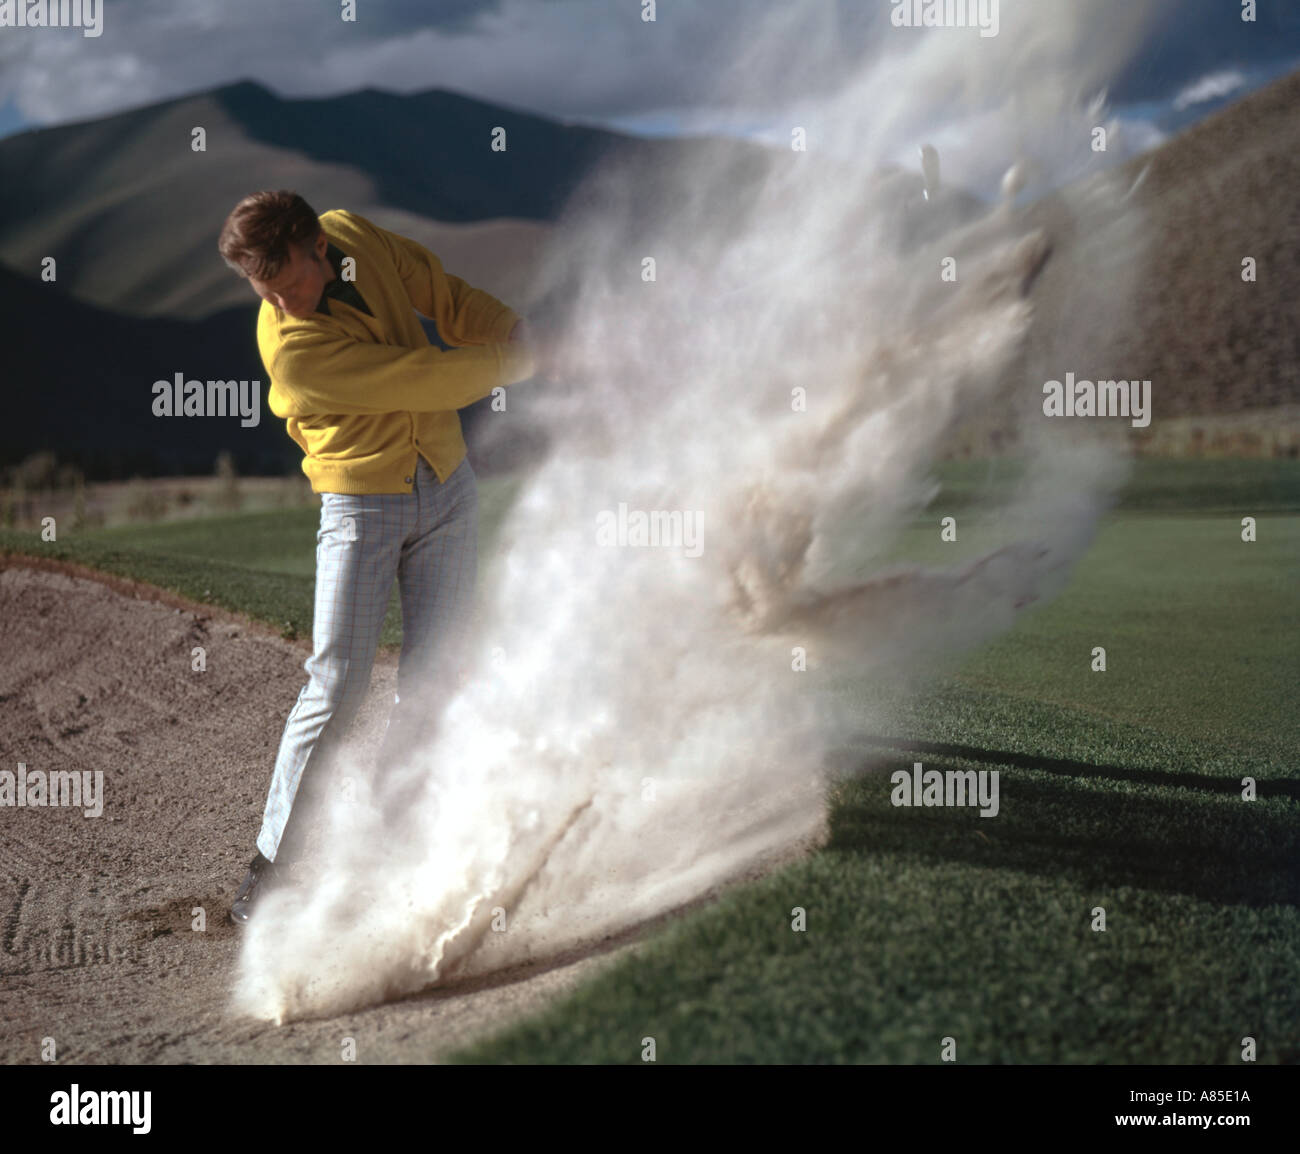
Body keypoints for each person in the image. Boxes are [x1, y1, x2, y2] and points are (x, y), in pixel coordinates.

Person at [216, 190, 544, 924]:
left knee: (433, 682)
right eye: (263, 293)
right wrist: (521, 362)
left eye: (289, 283)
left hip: (449, 490)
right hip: (363, 505)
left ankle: (394, 848)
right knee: (337, 685)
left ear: (319, 250)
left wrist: (513, 330)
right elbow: (421, 379)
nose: (281, 303)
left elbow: (439, 292)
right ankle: (269, 870)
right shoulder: (293, 349)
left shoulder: (353, 235)